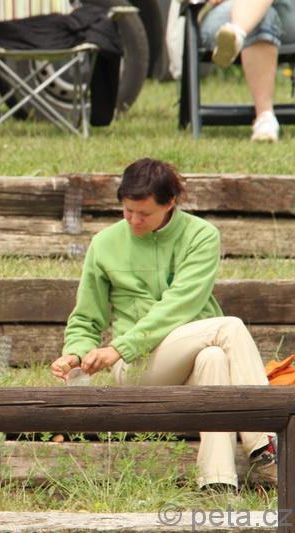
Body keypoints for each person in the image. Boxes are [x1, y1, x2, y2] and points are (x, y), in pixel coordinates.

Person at [50, 158, 278, 493]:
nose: (133, 220)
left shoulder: (201, 236)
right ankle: (267, 441)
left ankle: (217, 483)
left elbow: (180, 304)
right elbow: (86, 317)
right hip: (136, 366)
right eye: (128, 211)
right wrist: (76, 353)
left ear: (170, 203)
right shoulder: (104, 244)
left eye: (144, 213)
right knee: (228, 327)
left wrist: (117, 347)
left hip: (188, 359)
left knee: (214, 358)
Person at [200, 0, 295, 142]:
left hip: (287, 12)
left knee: (259, 14)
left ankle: (237, 31)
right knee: (263, 16)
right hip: (223, 13)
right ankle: (265, 116)